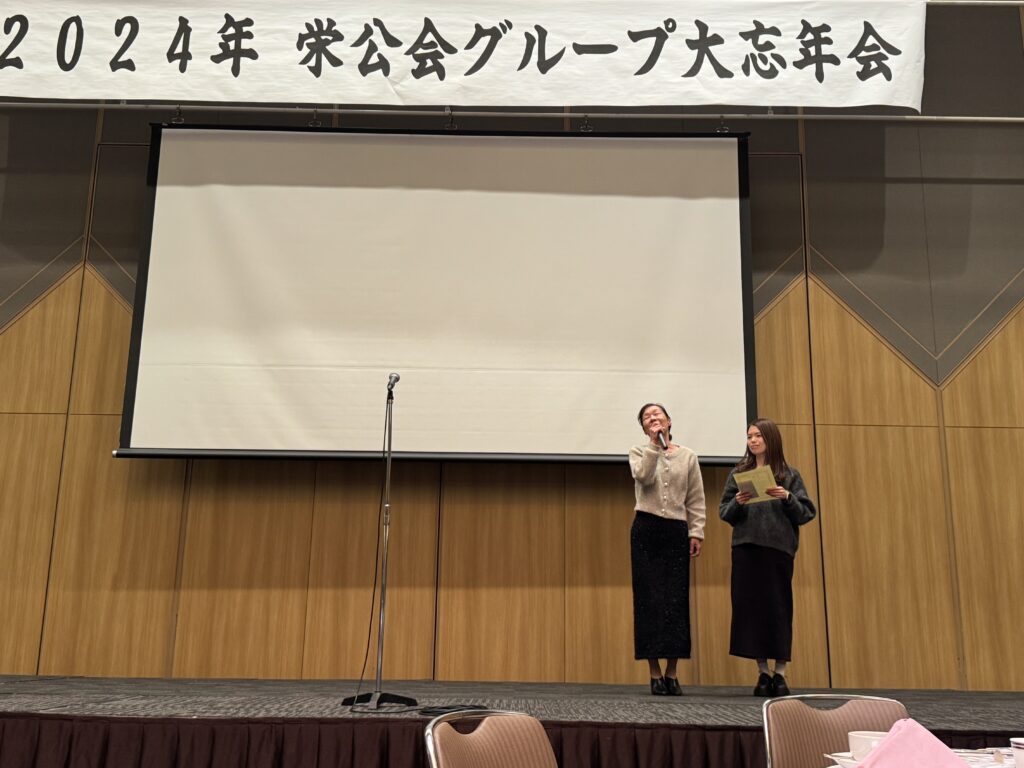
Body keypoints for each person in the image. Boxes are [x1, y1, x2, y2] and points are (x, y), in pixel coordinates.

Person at [718, 418, 816, 697]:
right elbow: (724, 512)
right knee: (751, 610)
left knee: (778, 609)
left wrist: (787, 497)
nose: (753, 440)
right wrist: (737, 502)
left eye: (758, 435)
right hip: (746, 548)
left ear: (771, 438)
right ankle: (762, 671)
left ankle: (780, 673)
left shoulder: (789, 474)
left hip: (777, 549)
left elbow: (807, 513)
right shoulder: (739, 473)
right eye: (750, 436)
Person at [629, 402, 706, 696]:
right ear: (644, 428)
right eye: (647, 417)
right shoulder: (638, 452)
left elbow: (695, 497)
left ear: (669, 421)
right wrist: (654, 447)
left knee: (675, 600)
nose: (653, 418)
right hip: (646, 530)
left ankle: (672, 673)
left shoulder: (688, 456)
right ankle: (654, 673)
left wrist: (696, 531)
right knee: (648, 600)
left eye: (657, 414)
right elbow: (644, 477)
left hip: (676, 530)